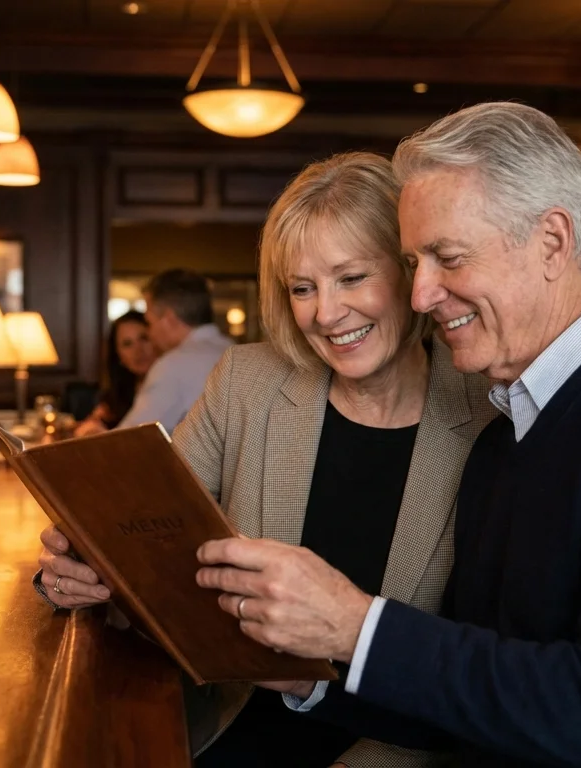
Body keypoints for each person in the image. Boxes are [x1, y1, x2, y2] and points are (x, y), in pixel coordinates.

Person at [194, 103, 581, 766]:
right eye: (414, 262)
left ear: (552, 242)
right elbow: (472, 697)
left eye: (448, 258)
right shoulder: (508, 430)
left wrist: (356, 626)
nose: (420, 295)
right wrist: (307, 679)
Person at [36, 152, 498, 766]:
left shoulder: (492, 416)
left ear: (412, 273)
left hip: (395, 747)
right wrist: (73, 571)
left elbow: (490, 670)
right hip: (223, 728)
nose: (325, 314)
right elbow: (141, 534)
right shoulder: (247, 382)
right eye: (303, 288)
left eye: (352, 277)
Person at [82, 269, 233, 435]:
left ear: (168, 319)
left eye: (149, 322)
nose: (151, 333)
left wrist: (91, 435)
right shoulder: (234, 351)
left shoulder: (174, 365)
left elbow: (129, 440)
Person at [74, 310, 156, 437]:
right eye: (127, 344)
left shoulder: (170, 384)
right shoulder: (115, 396)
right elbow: (88, 428)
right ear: (119, 357)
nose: (138, 350)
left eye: (144, 338)